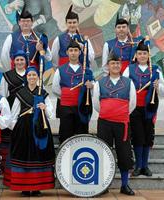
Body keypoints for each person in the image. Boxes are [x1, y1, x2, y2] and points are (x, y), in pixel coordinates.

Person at [93, 51, 136, 195]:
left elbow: (133, 104)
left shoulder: (129, 83)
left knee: (124, 153)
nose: (116, 65)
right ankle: (104, 186)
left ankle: (125, 185)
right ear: (108, 65)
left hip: (122, 123)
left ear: (121, 65)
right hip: (104, 123)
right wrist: (108, 113)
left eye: (118, 63)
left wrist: (119, 114)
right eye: (113, 63)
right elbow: (96, 104)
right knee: (104, 152)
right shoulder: (100, 83)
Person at [9, 66, 55, 197]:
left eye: (34, 75)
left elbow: (50, 114)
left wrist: (45, 107)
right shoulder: (20, 93)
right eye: (29, 75)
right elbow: (14, 113)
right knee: (24, 157)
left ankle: (37, 187)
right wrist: (16, 129)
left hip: (40, 128)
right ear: (26, 77)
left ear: (38, 78)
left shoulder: (43, 94)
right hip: (24, 129)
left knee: (39, 156)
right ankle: (24, 187)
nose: (32, 77)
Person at [123, 39, 164, 177]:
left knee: (147, 136)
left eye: (144, 53)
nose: (142, 56)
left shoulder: (156, 70)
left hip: (150, 107)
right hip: (134, 108)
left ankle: (145, 166)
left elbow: (163, 91)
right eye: (139, 53)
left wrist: (159, 86)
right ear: (136, 55)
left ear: (148, 55)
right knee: (137, 136)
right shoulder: (130, 68)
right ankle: (138, 165)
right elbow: (124, 86)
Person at [51, 4, 95, 118]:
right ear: (66, 23)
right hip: (65, 74)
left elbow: (91, 57)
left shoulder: (84, 39)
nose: (72, 25)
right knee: (65, 116)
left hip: (80, 74)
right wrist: (59, 70)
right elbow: (55, 58)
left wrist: (82, 49)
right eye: (69, 22)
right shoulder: (59, 38)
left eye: (74, 22)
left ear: (78, 23)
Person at [52, 40, 94, 144]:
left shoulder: (86, 70)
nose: (73, 53)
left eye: (76, 50)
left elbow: (93, 88)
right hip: (66, 108)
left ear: (80, 52)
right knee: (66, 134)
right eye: (71, 50)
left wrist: (91, 86)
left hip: (81, 107)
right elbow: (55, 89)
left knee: (81, 134)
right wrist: (67, 96)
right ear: (67, 53)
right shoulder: (60, 70)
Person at [0, 50, 27, 185]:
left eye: (22, 60)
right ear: (13, 61)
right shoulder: (7, 76)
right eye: (17, 60)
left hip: (27, 112)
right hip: (11, 112)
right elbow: (3, 95)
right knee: (10, 141)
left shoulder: (31, 75)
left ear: (26, 61)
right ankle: (8, 170)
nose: (20, 62)